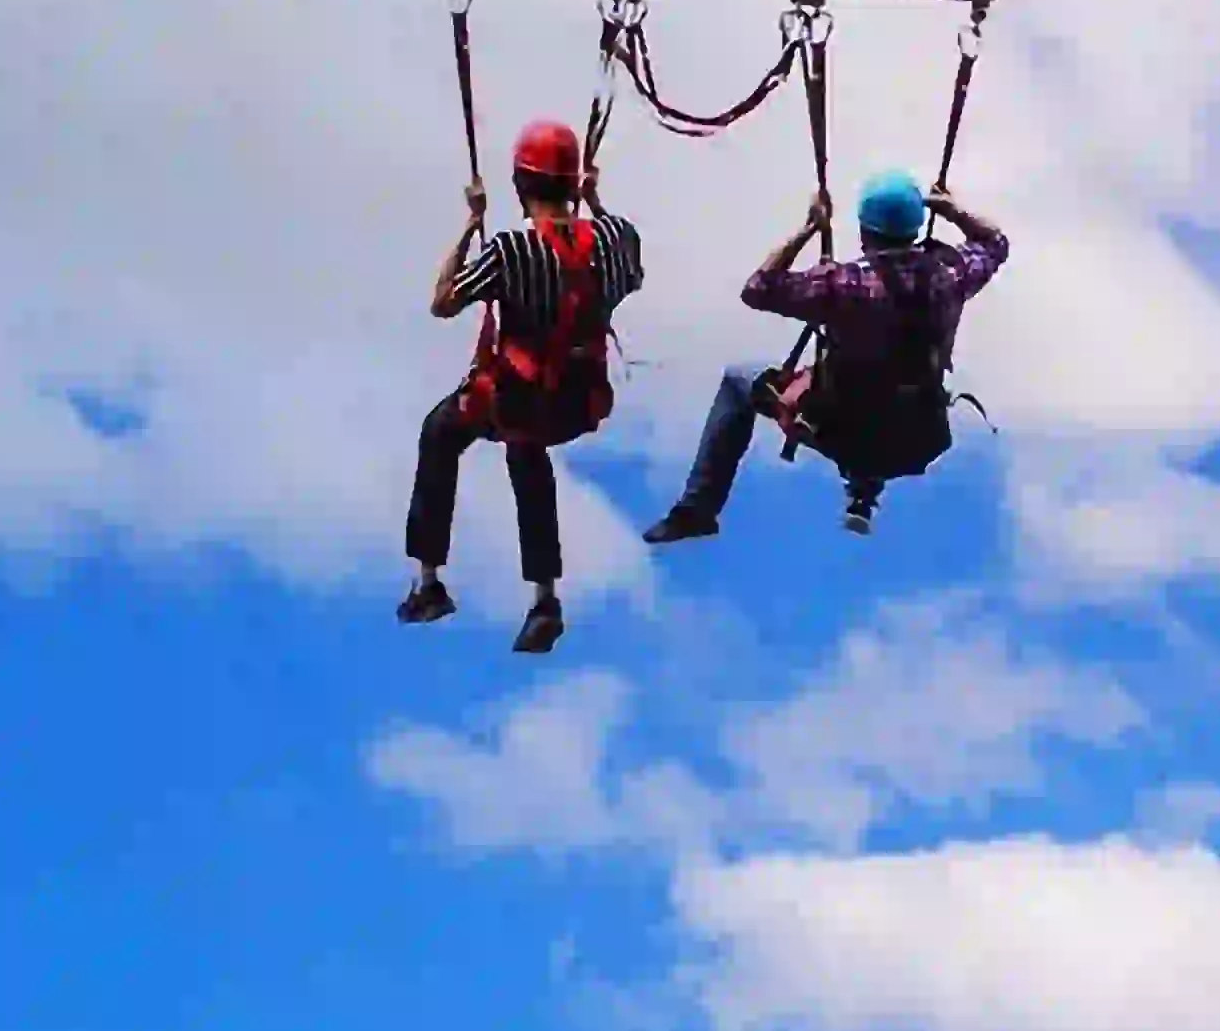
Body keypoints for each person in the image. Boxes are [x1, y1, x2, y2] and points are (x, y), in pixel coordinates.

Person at [644, 167, 1006, 545]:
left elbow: (757, 289)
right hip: (916, 437)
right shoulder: (948, 277)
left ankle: (698, 509)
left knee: (739, 381)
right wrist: (951, 210)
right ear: (915, 229)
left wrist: (808, 229)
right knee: (886, 394)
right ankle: (864, 490)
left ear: (865, 232)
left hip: (840, 430)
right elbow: (995, 243)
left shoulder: (841, 285)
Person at [402, 118, 646, 651]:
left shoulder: (509, 251)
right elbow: (634, 271)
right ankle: (543, 598)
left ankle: (428, 581)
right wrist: (596, 203)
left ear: (520, 185)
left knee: (443, 431)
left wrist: (471, 224)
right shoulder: (617, 237)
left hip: (521, 400)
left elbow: (443, 300)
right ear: (574, 183)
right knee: (525, 447)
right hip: (578, 402)